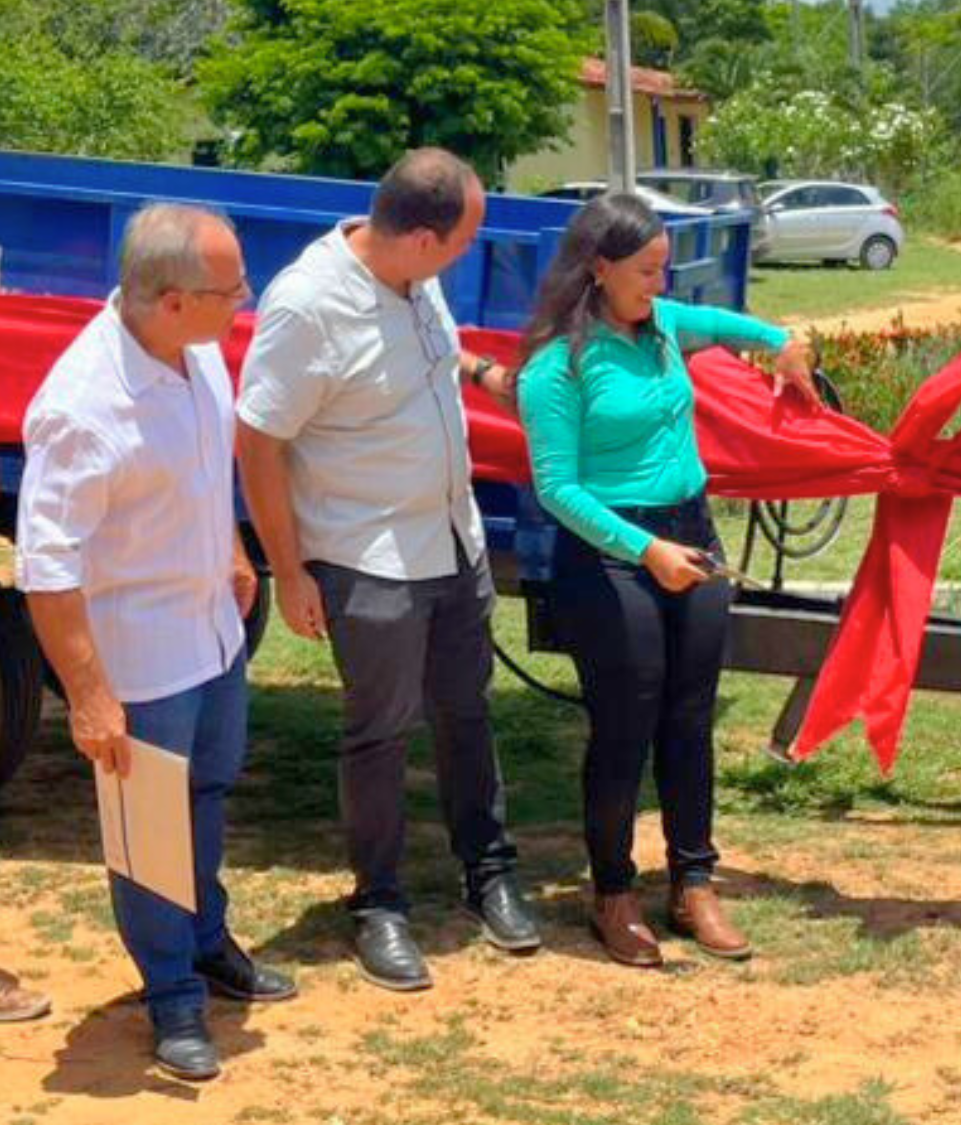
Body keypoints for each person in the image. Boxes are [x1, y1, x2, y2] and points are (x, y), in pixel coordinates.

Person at [236, 148, 539, 992]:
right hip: (367, 557)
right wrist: (289, 570)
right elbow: (258, 440)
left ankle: (491, 873)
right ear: (422, 236)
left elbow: (429, 359)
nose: (468, 254)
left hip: (452, 541)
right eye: (465, 240)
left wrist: (484, 374)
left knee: (466, 713)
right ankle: (380, 904)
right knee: (378, 734)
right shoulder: (309, 307)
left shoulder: (415, 275)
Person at [16, 204, 296, 1081]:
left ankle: (207, 939)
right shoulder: (83, 406)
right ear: (171, 300)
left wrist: (235, 549)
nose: (243, 301)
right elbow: (49, 567)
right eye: (230, 288)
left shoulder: (198, 353)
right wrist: (92, 695)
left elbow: (207, 466)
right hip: (140, 660)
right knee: (149, 832)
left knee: (206, 794)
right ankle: (172, 993)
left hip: (210, 633)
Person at [515, 193, 816, 967]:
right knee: (625, 726)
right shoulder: (557, 366)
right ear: (599, 268)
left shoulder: (666, 328)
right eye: (647, 270)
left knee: (690, 717)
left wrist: (788, 342)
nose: (662, 282)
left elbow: (746, 330)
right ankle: (613, 892)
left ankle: (693, 883)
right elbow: (557, 487)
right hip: (612, 553)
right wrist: (646, 550)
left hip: (693, 531)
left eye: (664, 268)